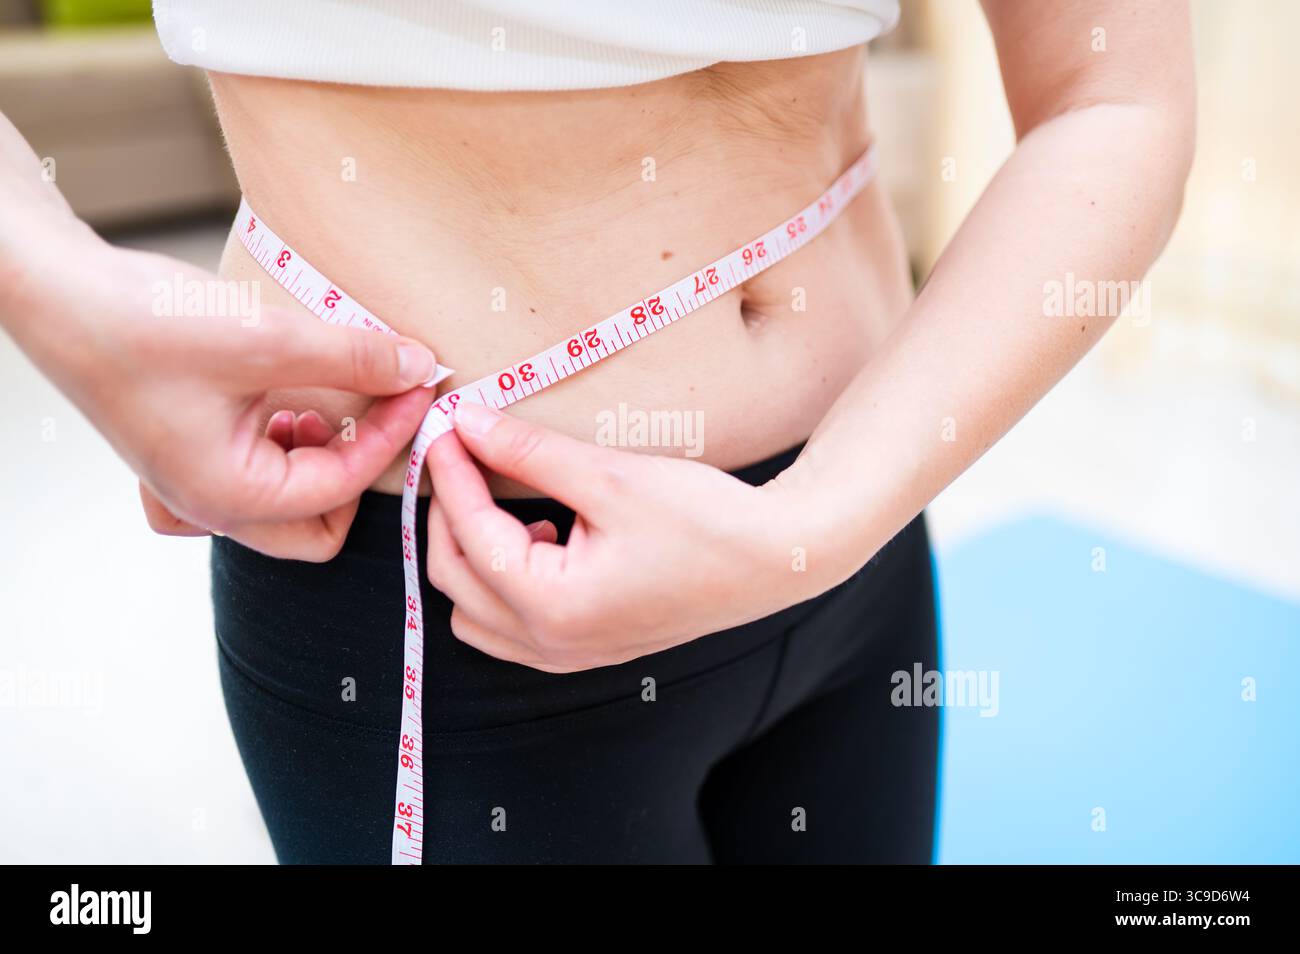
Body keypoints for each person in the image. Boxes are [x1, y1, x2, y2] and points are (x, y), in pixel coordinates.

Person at [0, 0, 1195, 863]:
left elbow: (1114, 98)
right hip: (454, 605)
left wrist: (816, 526)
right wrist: (65, 304)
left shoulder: (839, 523)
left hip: (860, 536)